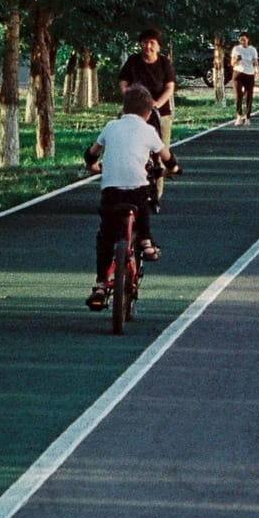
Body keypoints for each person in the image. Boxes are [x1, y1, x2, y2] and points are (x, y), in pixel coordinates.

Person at [84, 87, 178, 310]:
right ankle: (145, 241)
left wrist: (92, 166)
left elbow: (92, 153)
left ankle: (99, 285)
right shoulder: (148, 131)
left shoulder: (111, 127)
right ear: (148, 113)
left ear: (122, 109)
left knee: (106, 235)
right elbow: (166, 157)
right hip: (136, 189)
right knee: (143, 202)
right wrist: (173, 169)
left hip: (111, 191)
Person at [118, 29, 177, 154]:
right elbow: (123, 83)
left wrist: (156, 104)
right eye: (145, 42)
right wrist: (130, 98)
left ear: (159, 46)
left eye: (152, 43)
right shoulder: (133, 61)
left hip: (160, 112)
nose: (148, 46)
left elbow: (169, 87)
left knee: (161, 151)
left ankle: (160, 171)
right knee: (132, 149)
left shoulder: (164, 63)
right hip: (134, 112)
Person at [230, 30, 259, 124]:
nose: (242, 42)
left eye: (244, 40)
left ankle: (247, 117)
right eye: (240, 40)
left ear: (248, 40)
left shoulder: (252, 49)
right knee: (238, 95)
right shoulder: (236, 49)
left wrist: (257, 71)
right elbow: (232, 63)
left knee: (249, 96)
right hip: (238, 73)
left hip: (249, 74)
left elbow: (255, 62)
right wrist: (237, 60)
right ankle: (239, 116)